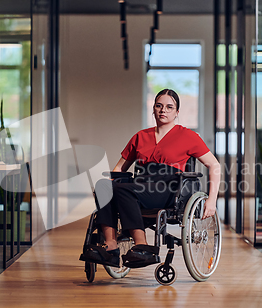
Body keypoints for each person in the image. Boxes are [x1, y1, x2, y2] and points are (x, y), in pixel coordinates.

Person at [80, 88, 221, 268]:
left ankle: (142, 245)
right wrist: (107, 187)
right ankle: (111, 246)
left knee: (123, 190)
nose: (163, 110)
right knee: (102, 186)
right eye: (159, 106)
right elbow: (119, 169)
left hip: (168, 188)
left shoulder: (188, 136)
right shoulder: (140, 136)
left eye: (169, 107)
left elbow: (214, 165)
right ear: (153, 109)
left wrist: (212, 199)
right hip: (141, 184)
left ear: (177, 113)